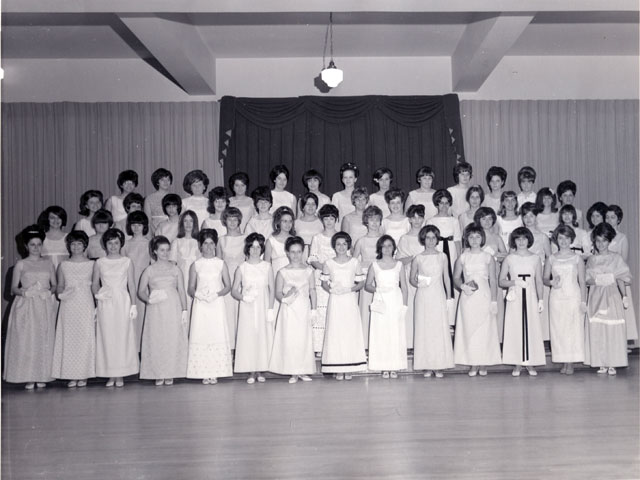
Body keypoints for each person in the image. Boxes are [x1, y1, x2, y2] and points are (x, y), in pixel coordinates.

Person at [3, 225, 57, 389]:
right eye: (32, 245)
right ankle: (28, 376)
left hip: (43, 304)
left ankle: (42, 374)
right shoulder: (20, 264)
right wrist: (25, 293)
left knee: (43, 339)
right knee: (28, 340)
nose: (36, 248)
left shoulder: (48, 264)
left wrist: (49, 292)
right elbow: (13, 289)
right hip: (26, 305)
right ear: (26, 246)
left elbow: (54, 285)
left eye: (39, 244)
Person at [138, 236, 189, 386]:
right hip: (156, 308)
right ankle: (158, 372)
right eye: (162, 250)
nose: (165, 253)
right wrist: (149, 300)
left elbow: (181, 291)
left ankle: (171, 372)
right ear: (155, 251)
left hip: (173, 307)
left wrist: (184, 310)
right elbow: (141, 291)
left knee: (172, 338)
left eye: (167, 250)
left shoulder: (175, 268)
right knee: (157, 338)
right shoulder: (149, 270)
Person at [92, 228, 139, 387]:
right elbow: (94, 284)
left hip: (122, 301)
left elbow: (131, 285)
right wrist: (98, 296)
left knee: (122, 336)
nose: (113, 246)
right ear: (105, 245)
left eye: (116, 243)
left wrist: (133, 305)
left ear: (121, 244)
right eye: (109, 243)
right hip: (105, 301)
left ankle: (120, 374)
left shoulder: (127, 261)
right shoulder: (100, 262)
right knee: (107, 337)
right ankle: (110, 374)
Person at [453, 225, 502, 376]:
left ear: (482, 238)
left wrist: (494, 301)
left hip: (485, 296)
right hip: (468, 297)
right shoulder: (463, 257)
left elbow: (493, 280)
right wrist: (462, 286)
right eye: (471, 237)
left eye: (478, 237)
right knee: (470, 329)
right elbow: (455, 277)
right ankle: (473, 363)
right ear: (467, 239)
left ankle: (483, 362)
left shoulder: (488, 257)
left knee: (484, 329)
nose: (474, 240)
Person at [187, 229, 233, 384]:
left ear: (215, 245)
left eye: (211, 243)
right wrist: (198, 295)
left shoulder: (221, 263)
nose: (208, 246)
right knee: (202, 334)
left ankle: (216, 371)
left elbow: (228, 286)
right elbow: (191, 288)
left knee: (215, 333)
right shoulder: (196, 265)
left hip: (216, 303)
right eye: (205, 243)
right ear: (200, 246)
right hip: (201, 305)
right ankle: (202, 371)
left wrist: (217, 294)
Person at [268, 236, 317, 383]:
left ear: (302, 252)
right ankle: (292, 371)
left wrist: (314, 310)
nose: (296, 255)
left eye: (299, 252)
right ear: (287, 253)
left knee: (303, 339)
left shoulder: (309, 271)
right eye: (292, 252)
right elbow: (277, 292)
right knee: (290, 339)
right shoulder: (282, 272)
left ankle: (303, 370)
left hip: (303, 308)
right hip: (288, 310)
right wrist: (285, 298)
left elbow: (313, 291)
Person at [584, 223, 630, 375]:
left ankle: (613, 362)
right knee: (598, 328)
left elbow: (621, 278)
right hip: (597, 295)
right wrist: (598, 280)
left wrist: (624, 296)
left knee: (612, 328)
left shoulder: (616, 258)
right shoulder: (591, 259)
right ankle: (601, 362)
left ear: (609, 241)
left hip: (611, 296)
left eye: (604, 241)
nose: (600, 244)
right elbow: (587, 279)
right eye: (597, 241)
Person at [51, 231, 96, 388]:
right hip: (69, 303)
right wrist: (61, 293)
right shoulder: (63, 265)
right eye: (73, 244)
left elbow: (96, 285)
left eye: (79, 243)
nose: (76, 247)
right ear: (68, 246)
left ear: (84, 245)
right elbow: (60, 285)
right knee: (69, 337)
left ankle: (83, 374)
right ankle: (71, 374)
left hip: (85, 302)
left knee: (85, 336)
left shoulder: (92, 264)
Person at [499, 227, 545, 376]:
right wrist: (515, 282)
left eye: (524, 238)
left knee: (531, 328)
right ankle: (517, 363)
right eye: (518, 239)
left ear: (529, 240)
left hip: (531, 296)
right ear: (514, 241)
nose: (521, 242)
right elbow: (501, 281)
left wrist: (541, 299)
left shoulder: (536, 258)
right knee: (515, 327)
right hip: (515, 296)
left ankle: (530, 363)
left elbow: (538, 280)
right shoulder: (509, 258)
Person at [321, 232, 367, 380]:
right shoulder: (329, 263)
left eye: (344, 244)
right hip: (335, 301)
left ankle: (350, 366)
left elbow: (361, 283)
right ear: (334, 246)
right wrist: (332, 290)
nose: (341, 247)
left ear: (348, 245)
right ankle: (337, 367)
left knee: (349, 331)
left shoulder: (354, 262)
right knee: (336, 331)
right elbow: (323, 282)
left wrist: (348, 289)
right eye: (338, 244)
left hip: (349, 300)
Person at [410, 225, 454, 378]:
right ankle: (426, 365)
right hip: (423, 297)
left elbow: (447, 278)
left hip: (438, 295)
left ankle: (439, 365)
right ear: (423, 239)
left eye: (433, 238)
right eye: (427, 237)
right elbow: (412, 279)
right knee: (424, 329)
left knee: (438, 329)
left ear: (437, 239)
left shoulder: (442, 256)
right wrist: (419, 283)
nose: (430, 241)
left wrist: (449, 298)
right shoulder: (418, 258)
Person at [232, 233, 276, 384]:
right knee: (249, 336)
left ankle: (261, 369)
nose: (255, 250)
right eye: (252, 247)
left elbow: (272, 288)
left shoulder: (267, 266)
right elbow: (234, 290)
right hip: (248, 308)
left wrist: (270, 309)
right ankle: (251, 370)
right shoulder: (242, 268)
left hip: (263, 306)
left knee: (262, 336)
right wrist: (243, 298)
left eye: (258, 247)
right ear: (247, 249)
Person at [544, 225, 587, 375]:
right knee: (559, 329)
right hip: (556, 297)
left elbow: (582, 281)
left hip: (573, 296)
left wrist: (583, 301)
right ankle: (563, 360)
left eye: (566, 238)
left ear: (571, 239)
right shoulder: (551, 258)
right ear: (556, 239)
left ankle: (571, 362)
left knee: (573, 328)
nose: (563, 241)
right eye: (560, 238)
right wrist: (551, 282)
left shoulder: (577, 258)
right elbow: (544, 278)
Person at [365, 235, 408, 379]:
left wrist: (404, 306)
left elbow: (405, 288)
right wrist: (378, 290)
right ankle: (383, 366)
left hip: (395, 300)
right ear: (380, 248)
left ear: (394, 248)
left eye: (390, 245)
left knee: (395, 332)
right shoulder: (375, 265)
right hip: (381, 300)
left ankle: (394, 365)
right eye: (384, 246)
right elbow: (368, 285)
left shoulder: (399, 265)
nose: (387, 248)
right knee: (381, 332)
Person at [426, 189, 462, 327]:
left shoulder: (454, 220)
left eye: (447, 203)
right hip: (438, 250)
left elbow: (458, 240)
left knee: (451, 281)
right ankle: (439, 318)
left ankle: (452, 320)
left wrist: (459, 259)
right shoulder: (430, 220)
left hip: (451, 251)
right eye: (441, 203)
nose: (444, 206)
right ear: (436, 204)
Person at [307, 204, 339, 354]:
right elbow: (312, 258)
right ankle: (319, 347)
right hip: (320, 278)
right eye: (326, 218)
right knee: (320, 311)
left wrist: (334, 271)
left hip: (336, 278)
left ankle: (333, 345)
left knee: (335, 310)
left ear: (336, 219)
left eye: (332, 218)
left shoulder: (341, 237)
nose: (329, 221)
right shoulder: (317, 238)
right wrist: (325, 269)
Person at [473, 207, 508, 340]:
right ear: (478, 220)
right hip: (479, 274)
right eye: (483, 218)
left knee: (496, 304)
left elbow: (506, 256)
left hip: (495, 273)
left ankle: (497, 339)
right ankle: (480, 339)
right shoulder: (475, 236)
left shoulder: (496, 237)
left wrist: (495, 255)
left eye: (489, 218)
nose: (487, 221)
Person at [352, 206, 383, 349]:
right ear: (366, 221)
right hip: (366, 278)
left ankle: (380, 343)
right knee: (366, 309)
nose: (374, 223)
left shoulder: (384, 240)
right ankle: (365, 344)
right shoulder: (361, 241)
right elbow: (353, 262)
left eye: (377, 219)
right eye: (371, 219)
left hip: (381, 277)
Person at [605, 205, 637, 342]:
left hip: (617, 278)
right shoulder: (602, 236)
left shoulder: (622, 238)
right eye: (607, 217)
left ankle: (622, 343)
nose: (609, 220)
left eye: (613, 217)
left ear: (618, 220)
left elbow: (623, 260)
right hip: (604, 279)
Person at [520, 202, 551, 341]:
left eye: (531, 216)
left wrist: (546, 276)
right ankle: (526, 337)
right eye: (525, 216)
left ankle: (542, 339)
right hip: (522, 275)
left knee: (541, 307)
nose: (528, 219)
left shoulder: (543, 237)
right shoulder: (518, 235)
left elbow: (550, 258)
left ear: (536, 217)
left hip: (539, 275)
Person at [216, 207, 246, 350]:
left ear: (239, 221)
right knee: (228, 313)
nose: (233, 222)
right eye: (229, 219)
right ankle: (229, 348)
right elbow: (219, 264)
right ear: (225, 221)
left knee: (242, 313)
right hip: (227, 281)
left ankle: (242, 347)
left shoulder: (246, 238)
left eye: (235, 219)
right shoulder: (221, 240)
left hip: (242, 281)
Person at [396, 205, 426, 350]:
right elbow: (399, 260)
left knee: (424, 307)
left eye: (419, 217)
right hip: (409, 275)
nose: (417, 220)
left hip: (425, 276)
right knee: (410, 306)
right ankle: (409, 342)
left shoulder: (427, 236)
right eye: (413, 217)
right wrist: (414, 258)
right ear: (409, 219)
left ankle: (423, 341)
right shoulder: (404, 238)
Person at [121, 211, 151, 350]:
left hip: (145, 285)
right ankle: (132, 350)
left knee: (145, 316)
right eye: (133, 224)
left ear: (144, 226)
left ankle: (144, 349)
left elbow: (154, 266)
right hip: (129, 283)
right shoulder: (125, 245)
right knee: (131, 317)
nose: (136, 227)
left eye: (139, 224)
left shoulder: (150, 243)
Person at [170, 211, 200, 322]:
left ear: (195, 223)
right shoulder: (176, 242)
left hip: (196, 279)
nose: (188, 224)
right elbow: (172, 265)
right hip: (181, 279)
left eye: (191, 221)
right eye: (185, 221)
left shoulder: (199, 242)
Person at [265, 206, 295, 277]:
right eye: (284, 221)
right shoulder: (271, 241)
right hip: (276, 275)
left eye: (290, 221)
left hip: (292, 275)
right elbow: (266, 265)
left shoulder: (295, 240)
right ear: (278, 222)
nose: (288, 224)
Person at [144, 168, 173, 233]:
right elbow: (148, 221)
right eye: (162, 180)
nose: (166, 182)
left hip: (172, 230)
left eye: (168, 179)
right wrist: (156, 233)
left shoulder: (175, 197)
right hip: (155, 230)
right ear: (157, 182)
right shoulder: (149, 198)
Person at [294, 192, 323, 256]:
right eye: (307, 204)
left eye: (313, 204)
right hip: (299, 256)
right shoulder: (296, 223)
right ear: (303, 207)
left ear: (316, 206)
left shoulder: (322, 223)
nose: (310, 207)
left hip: (317, 256)